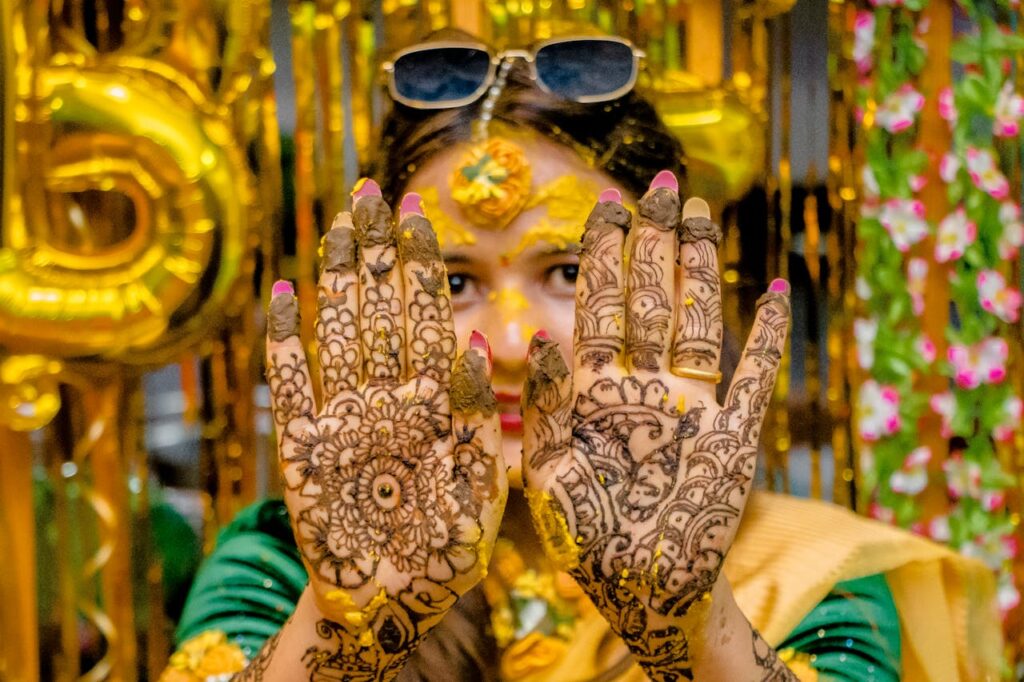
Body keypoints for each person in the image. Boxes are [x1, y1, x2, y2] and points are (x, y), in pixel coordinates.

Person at [161, 31, 1001, 682]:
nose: (514, 344)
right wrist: (344, 625)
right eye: (454, 282)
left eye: (567, 272)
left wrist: (692, 627)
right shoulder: (287, 558)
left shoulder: (810, 574)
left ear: (682, 289)